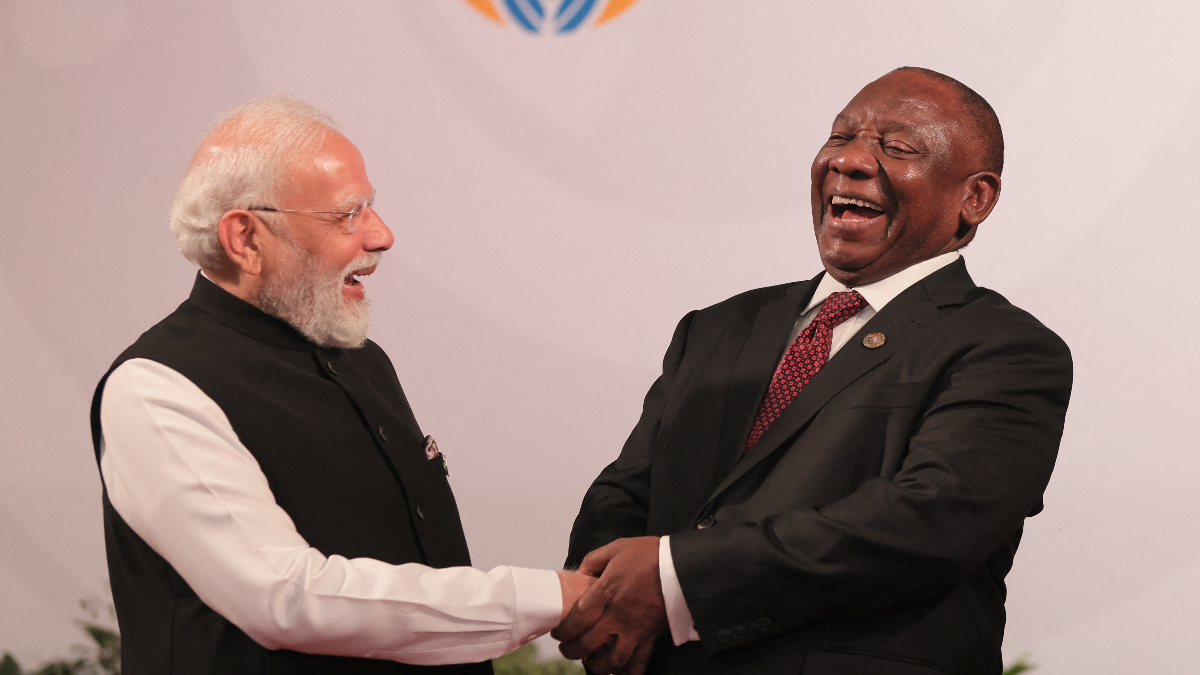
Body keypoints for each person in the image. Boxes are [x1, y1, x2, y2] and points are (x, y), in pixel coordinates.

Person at [554, 68, 1073, 675]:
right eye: (840, 137)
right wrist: (602, 594)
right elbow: (626, 490)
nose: (849, 160)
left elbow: (928, 524)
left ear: (975, 198)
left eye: (896, 146)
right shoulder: (717, 327)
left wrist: (678, 578)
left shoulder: (1007, 349)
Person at [90, 95, 592, 675]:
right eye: (347, 215)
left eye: (370, 207)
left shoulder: (362, 361)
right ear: (245, 238)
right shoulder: (156, 388)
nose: (382, 235)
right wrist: (552, 597)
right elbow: (286, 598)